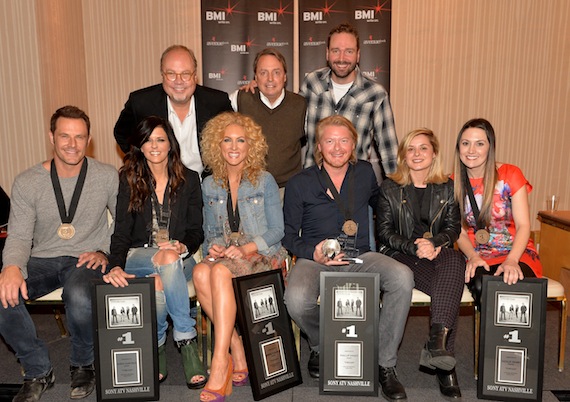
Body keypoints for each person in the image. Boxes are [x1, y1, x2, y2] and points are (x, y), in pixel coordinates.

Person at [283, 115, 414, 401]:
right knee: (295, 300)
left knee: (402, 277)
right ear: (319, 146)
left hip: (361, 256)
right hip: (315, 259)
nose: (337, 147)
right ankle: (320, 344)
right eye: (330, 141)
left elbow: (385, 207)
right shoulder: (300, 183)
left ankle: (385, 364)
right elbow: (288, 236)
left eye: (344, 140)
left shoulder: (366, 173)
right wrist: (312, 252)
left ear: (354, 144)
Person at [0, 105, 118, 401]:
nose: (72, 144)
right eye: (64, 136)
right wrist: (12, 265)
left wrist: (105, 251)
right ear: (51, 137)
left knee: (79, 294)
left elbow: (125, 226)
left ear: (88, 139)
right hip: (42, 258)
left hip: (87, 258)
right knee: (2, 291)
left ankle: (82, 365)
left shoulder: (106, 176)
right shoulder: (28, 181)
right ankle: (38, 369)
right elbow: (19, 235)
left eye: (79, 137)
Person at [103, 116, 206, 388]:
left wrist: (183, 245)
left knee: (161, 279)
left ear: (170, 143)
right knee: (165, 259)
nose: (154, 145)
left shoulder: (190, 180)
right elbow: (122, 232)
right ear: (139, 146)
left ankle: (158, 344)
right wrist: (115, 264)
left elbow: (196, 230)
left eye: (160, 139)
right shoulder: (128, 179)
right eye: (148, 140)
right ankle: (186, 340)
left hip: (179, 258)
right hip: (138, 256)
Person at [192, 112, 287, 402]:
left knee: (218, 273)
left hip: (261, 255)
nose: (234, 146)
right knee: (199, 273)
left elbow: (277, 232)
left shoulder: (264, 180)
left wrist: (245, 249)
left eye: (241, 140)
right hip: (229, 256)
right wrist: (216, 247)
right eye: (227, 140)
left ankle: (220, 362)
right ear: (217, 146)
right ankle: (237, 347)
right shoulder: (209, 184)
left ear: (251, 146)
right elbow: (211, 233)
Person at [376, 128, 464, 399]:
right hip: (401, 253)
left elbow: (453, 228)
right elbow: (384, 232)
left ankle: (437, 344)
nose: (416, 154)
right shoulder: (390, 187)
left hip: (435, 252)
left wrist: (435, 243)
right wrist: (415, 246)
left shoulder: (446, 187)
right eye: (410, 149)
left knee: (454, 259)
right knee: (449, 285)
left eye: (423, 148)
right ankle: (442, 360)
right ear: (403, 154)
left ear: (434, 153)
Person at [453, 118, 542, 305]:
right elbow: (458, 231)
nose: (471, 150)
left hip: (516, 252)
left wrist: (512, 260)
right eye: (465, 143)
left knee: (513, 286)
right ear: (458, 147)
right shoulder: (452, 182)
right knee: (482, 286)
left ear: (490, 147)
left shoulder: (510, 174)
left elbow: (524, 225)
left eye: (479, 144)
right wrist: (473, 256)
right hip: (477, 254)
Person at [114, 44, 233, 177]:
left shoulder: (217, 102)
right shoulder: (141, 102)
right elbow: (121, 133)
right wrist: (140, 159)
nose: (179, 81)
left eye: (185, 74)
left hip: (206, 187)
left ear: (195, 76)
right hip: (158, 185)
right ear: (162, 75)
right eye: (171, 74)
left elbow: (235, 138)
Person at [300, 22, 398, 178]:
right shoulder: (312, 83)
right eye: (335, 51)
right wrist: (262, 90)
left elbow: (389, 151)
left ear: (358, 55)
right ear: (327, 53)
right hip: (312, 186)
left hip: (354, 187)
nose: (341, 58)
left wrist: (399, 195)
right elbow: (290, 123)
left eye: (349, 51)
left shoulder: (375, 94)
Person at [230, 48, 307, 194]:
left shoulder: (301, 105)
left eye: (276, 72)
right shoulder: (240, 99)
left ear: (285, 77)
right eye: (263, 73)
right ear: (255, 78)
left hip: (289, 189)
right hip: (249, 188)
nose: (270, 79)